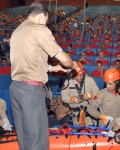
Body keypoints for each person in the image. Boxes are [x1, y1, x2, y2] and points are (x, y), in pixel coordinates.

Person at [9, 2, 75, 150]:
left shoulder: (18, 31)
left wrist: (53, 67)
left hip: (16, 89)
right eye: (47, 19)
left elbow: (29, 61)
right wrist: (72, 64)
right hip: (31, 92)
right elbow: (64, 58)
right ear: (41, 15)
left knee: (25, 139)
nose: (47, 22)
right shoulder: (39, 29)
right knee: (37, 141)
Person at [61, 61, 99, 126]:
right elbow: (63, 97)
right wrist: (73, 99)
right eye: (76, 76)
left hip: (89, 116)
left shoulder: (90, 80)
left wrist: (90, 96)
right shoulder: (68, 82)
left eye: (81, 75)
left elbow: (98, 94)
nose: (79, 78)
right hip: (76, 116)